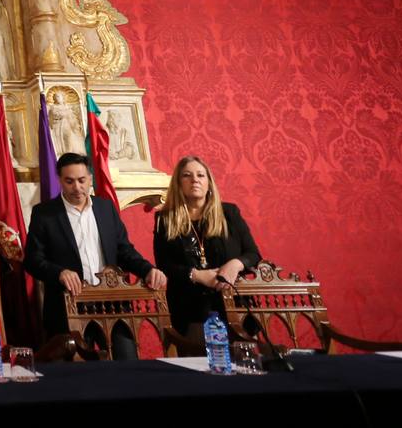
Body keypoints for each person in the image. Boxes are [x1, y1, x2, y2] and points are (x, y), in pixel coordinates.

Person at [24, 152, 167, 359]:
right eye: (69, 181)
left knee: (127, 364)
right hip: (67, 307)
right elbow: (32, 260)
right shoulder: (44, 213)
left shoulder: (105, 208)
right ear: (59, 181)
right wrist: (60, 273)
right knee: (75, 379)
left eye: (82, 180)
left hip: (111, 304)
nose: (77, 187)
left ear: (90, 178)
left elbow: (124, 251)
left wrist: (147, 270)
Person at [153, 155, 261, 336]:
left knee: (243, 360)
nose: (194, 179)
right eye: (187, 175)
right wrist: (196, 275)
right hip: (189, 306)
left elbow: (253, 254)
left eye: (200, 175)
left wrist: (235, 265)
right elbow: (164, 265)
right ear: (179, 184)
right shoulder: (165, 219)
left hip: (234, 303)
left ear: (209, 183)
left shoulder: (230, 213)